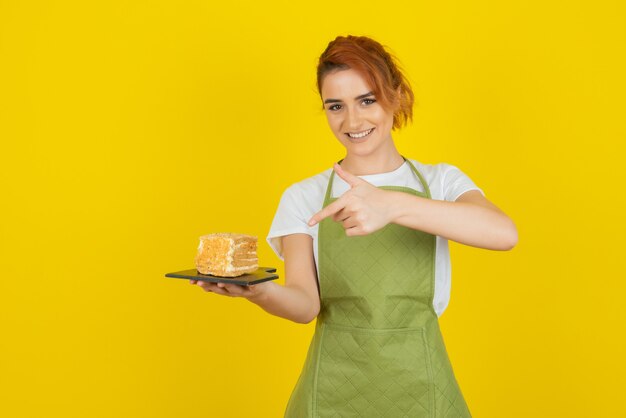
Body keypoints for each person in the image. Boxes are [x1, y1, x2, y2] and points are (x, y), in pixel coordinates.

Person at [190, 35, 517, 417]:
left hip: (421, 386)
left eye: (367, 100)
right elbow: (304, 304)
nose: (352, 121)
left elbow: (503, 234)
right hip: (331, 391)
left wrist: (392, 205)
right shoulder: (305, 196)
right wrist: (256, 292)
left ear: (394, 96)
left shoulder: (441, 182)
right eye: (335, 106)